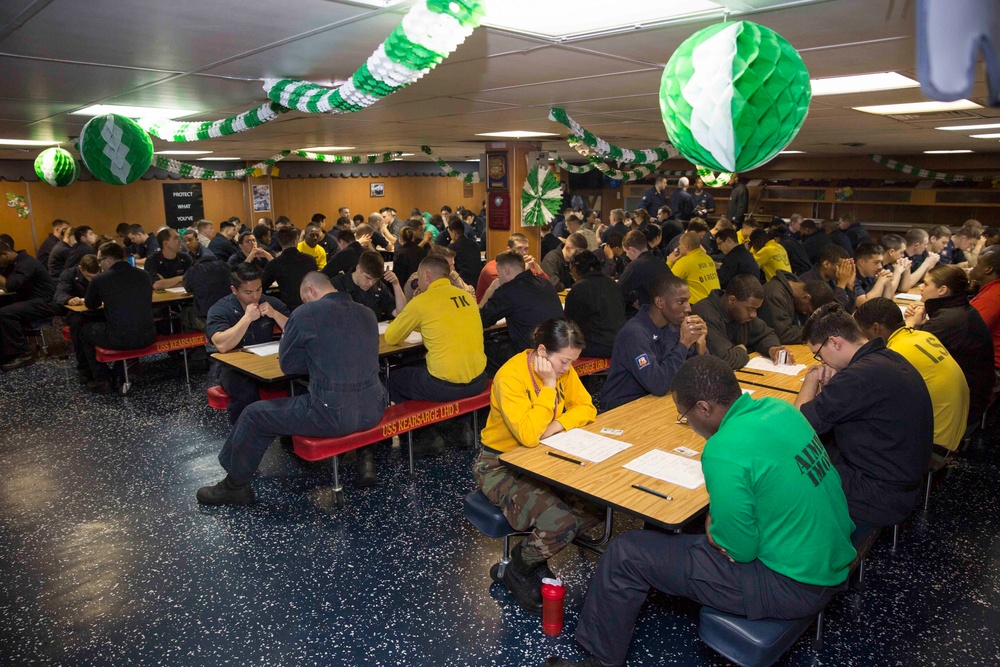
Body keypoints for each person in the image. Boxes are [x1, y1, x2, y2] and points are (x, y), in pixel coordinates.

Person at [545, 355, 856, 667]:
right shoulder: (782, 410)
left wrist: (714, 525)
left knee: (625, 552)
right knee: (685, 528)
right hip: (831, 556)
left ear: (704, 408)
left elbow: (740, 550)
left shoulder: (723, 448)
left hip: (792, 585)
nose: (689, 424)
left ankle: (599, 660)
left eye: (685, 416)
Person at [197, 272, 386, 505]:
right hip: (374, 408)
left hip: (332, 413)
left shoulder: (306, 313)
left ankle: (235, 486)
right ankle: (364, 457)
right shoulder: (366, 312)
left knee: (254, 414)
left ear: (310, 292)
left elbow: (289, 366)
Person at [474, 319, 600, 615]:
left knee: (594, 510)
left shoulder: (562, 369)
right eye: (564, 362)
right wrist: (548, 387)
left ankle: (528, 558)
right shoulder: (511, 376)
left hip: (542, 457)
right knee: (561, 522)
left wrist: (556, 424)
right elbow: (529, 436)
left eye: (572, 362)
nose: (568, 369)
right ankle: (518, 569)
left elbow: (587, 406)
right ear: (542, 351)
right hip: (500, 464)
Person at [796, 303, 933, 529]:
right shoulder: (889, 358)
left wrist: (812, 377)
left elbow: (799, 424)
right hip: (904, 481)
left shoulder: (857, 377)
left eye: (818, 356)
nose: (821, 363)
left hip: (880, 496)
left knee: (797, 459)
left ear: (834, 342)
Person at [384, 255, 487, 456]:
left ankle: (425, 436)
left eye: (419, 277)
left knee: (394, 379)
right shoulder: (467, 297)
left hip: (444, 386)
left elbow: (391, 336)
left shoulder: (422, 301)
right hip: (479, 380)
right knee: (429, 369)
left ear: (427, 275)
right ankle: (461, 428)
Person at [855, 298, 969, 453]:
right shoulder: (923, 336)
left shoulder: (893, 355)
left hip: (935, 440)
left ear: (875, 328)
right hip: (955, 426)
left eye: (862, 334)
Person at [600, 273, 707, 411]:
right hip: (622, 409)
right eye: (681, 302)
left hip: (655, 403)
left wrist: (700, 346)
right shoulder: (634, 334)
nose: (688, 308)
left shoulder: (673, 327)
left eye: (688, 301)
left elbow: (695, 377)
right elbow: (658, 385)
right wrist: (684, 343)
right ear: (660, 302)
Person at [905, 265, 994, 422]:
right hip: (971, 393)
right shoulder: (959, 310)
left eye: (926, 284)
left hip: (965, 402)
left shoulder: (950, 320)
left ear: (942, 290)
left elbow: (903, 353)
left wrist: (910, 324)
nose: (921, 287)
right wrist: (919, 324)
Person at [206, 263, 291, 424]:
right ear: (234, 290)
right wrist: (246, 319)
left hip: (266, 360)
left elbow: (296, 330)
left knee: (299, 382)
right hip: (232, 367)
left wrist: (276, 315)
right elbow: (221, 345)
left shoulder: (270, 302)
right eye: (248, 292)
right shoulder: (221, 309)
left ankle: (290, 434)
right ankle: (244, 435)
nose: (255, 296)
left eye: (258, 290)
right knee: (245, 392)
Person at [80, 242, 157, 393]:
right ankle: (118, 374)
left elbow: (91, 305)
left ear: (108, 259)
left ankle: (102, 379)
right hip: (149, 335)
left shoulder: (100, 279)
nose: (99, 265)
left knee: (84, 331)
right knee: (127, 326)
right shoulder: (144, 275)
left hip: (119, 338)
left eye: (100, 261)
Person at [479, 250, 564, 374]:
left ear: (506, 271)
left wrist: (491, 289)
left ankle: (502, 386)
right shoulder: (545, 283)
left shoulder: (507, 291)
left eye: (498, 272)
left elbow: (481, 320)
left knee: (482, 350)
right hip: (557, 348)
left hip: (529, 355)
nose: (498, 277)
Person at [692, 274, 792, 370]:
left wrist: (772, 349)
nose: (754, 315)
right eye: (750, 309)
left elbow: (766, 334)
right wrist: (742, 351)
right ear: (732, 300)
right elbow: (723, 360)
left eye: (756, 309)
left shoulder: (743, 314)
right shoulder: (705, 314)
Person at [0, 241, 58, 371]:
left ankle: (22, 353)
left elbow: (10, 285)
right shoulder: (14, 263)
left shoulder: (26, 263)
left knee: (4, 313)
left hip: (46, 302)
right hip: (34, 300)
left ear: (4, 254)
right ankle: (6, 352)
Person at [563, 251, 625, 358]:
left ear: (576, 268)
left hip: (598, 345)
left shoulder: (579, 288)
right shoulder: (612, 283)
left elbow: (570, 322)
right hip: (620, 341)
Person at [55, 254, 101, 382]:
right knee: (77, 325)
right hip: (79, 313)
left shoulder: (103, 272)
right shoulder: (68, 275)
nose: (92, 280)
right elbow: (59, 294)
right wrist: (69, 299)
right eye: (89, 277)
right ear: (81, 268)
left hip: (99, 310)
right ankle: (84, 368)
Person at [758, 271, 835, 344]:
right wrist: (817, 331)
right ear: (806, 297)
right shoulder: (775, 296)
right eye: (808, 310)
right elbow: (783, 335)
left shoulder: (799, 291)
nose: (805, 313)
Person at [328, 250, 405, 322]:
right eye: (368, 278)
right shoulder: (336, 285)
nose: (371, 283)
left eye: (375, 280)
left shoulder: (379, 286)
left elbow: (400, 313)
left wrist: (396, 284)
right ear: (358, 268)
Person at [475, 233, 548, 302]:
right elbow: (511, 289)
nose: (524, 252)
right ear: (508, 249)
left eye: (526, 249)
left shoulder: (526, 266)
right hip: (489, 310)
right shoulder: (493, 268)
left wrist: (538, 269)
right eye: (519, 248)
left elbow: (547, 286)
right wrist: (524, 271)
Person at [262, 227, 317, 310]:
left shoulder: (275, 264)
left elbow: (262, 285)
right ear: (296, 241)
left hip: (288, 308)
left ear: (279, 242)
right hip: (312, 304)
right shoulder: (310, 259)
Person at [181, 244, 232, 334]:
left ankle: (192, 345)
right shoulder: (226, 266)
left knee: (185, 312)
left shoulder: (194, 270)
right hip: (229, 314)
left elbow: (188, 288)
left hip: (206, 318)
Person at [618, 230, 670, 312]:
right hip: (667, 309)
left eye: (626, 252)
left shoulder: (635, 265)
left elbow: (619, 291)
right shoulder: (661, 262)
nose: (627, 255)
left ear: (632, 250)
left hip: (651, 313)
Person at [666, 231, 719, 305]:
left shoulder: (685, 261)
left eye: (680, 244)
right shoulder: (708, 258)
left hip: (699, 306)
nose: (678, 247)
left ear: (686, 247)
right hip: (717, 302)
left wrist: (669, 262)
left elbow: (667, 282)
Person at [800, 244, 856, 312]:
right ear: (826, 264)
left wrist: (850, 286)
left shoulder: (833, 281)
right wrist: (841, 285)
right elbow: (829, 314)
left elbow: (847, 311)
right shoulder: (807, 282)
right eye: (842, 267)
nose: (844, 271)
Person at [970, 247, 1000, 373]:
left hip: (991, 368)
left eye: (978, 263)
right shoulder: (993, 290)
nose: (973, 267)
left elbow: (967, 332)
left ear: (988, 269)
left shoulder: (990, 298)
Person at [852, 242, 893, 308]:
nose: (880, 266)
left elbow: (887, 302)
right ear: (861, 262)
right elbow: (865, 304)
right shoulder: (851, 276)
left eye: (881, 262)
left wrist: (887, 283)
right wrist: (881, 282)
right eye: (876, 262)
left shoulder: (870, 274)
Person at [447, 215, 482, 286]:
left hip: (461, 282)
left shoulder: (453, 247)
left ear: (454, 233)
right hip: (477, 281)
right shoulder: (474, 244)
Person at [393, 226, 428, 294]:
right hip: (421, 284)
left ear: (400, 238)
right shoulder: (421, 250)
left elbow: (398, 275)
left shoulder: (401, 253)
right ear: (412, 237)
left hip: (406, 287)